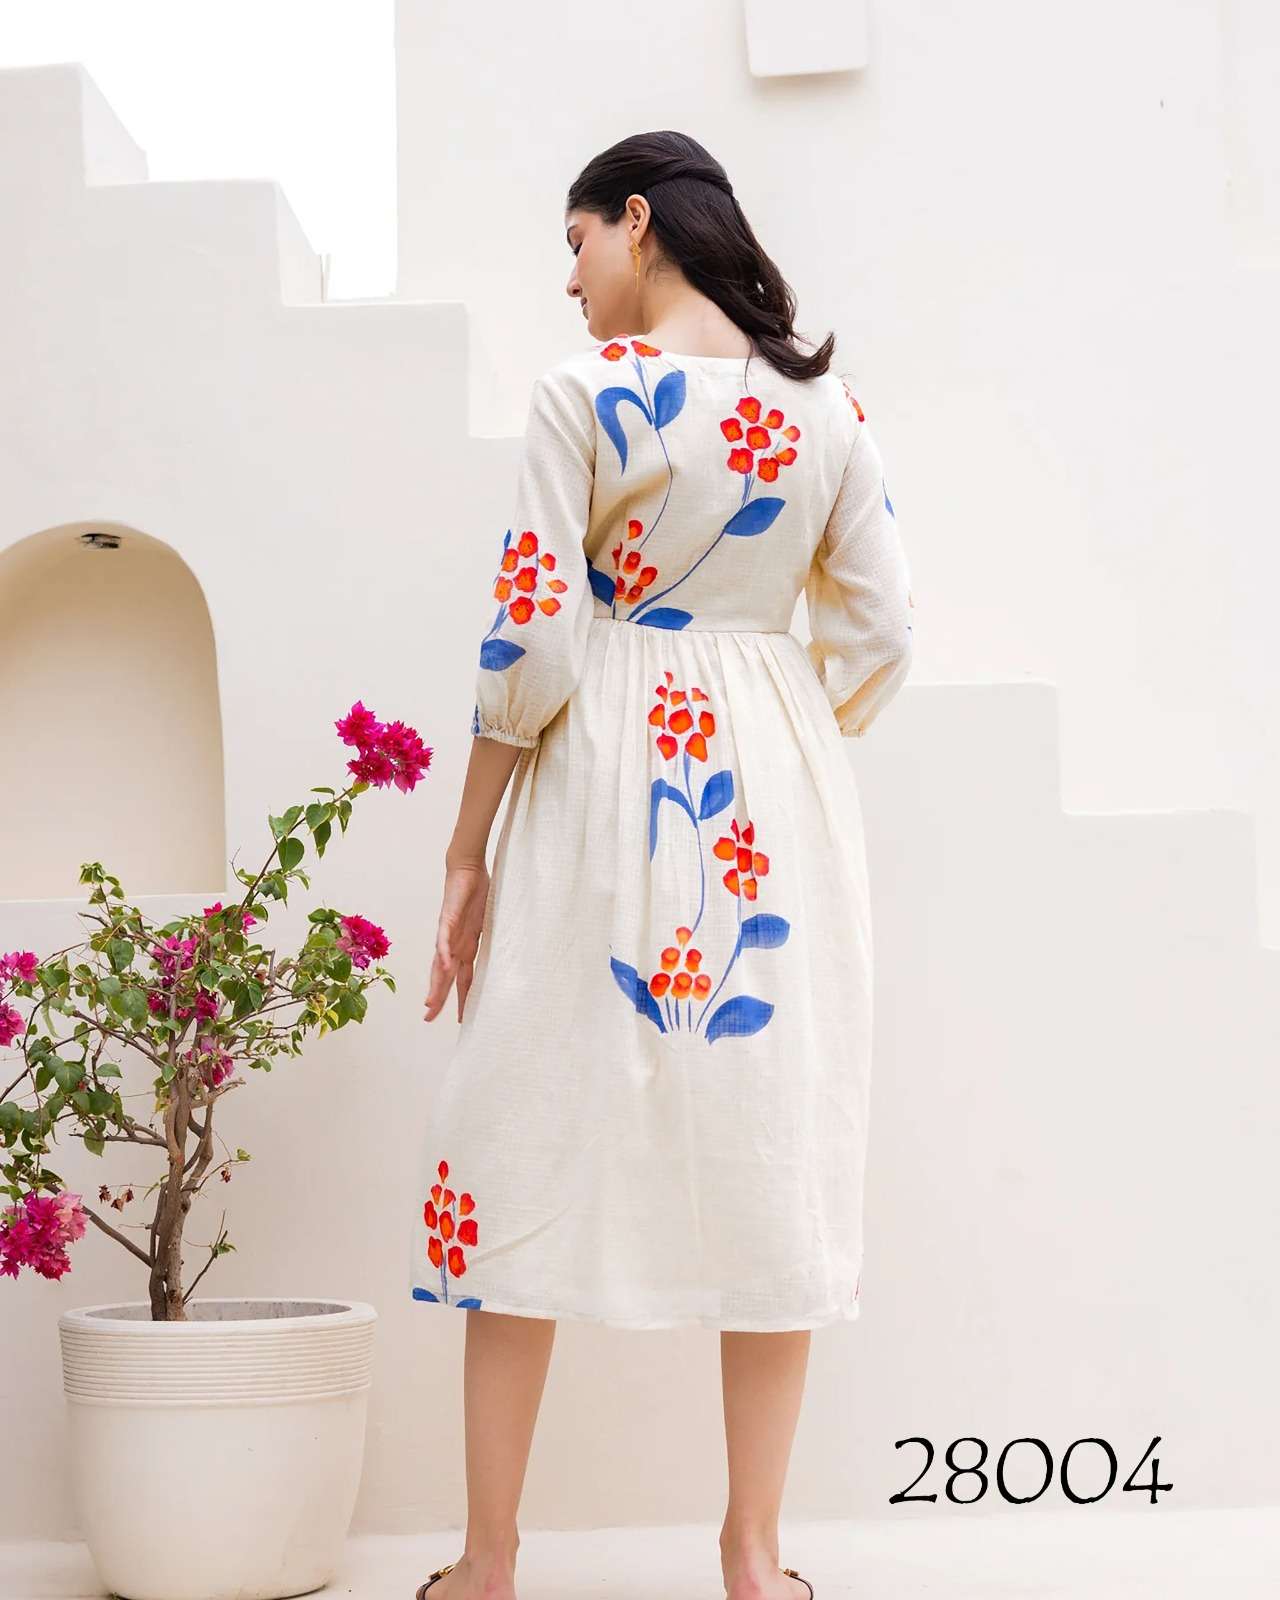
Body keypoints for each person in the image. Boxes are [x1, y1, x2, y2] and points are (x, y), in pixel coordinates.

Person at [410, 130, 914, 1600]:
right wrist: (782, 719)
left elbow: (531, 638)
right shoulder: (828, 410)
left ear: (638, 222)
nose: (569, 283)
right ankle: (755, 1558)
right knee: (772, 1150)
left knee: (521, 1133)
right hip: (774, 799)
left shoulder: (583, 395)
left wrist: (465, 848)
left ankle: (488, 1564)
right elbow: (883, 632)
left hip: (596, 785)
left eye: (576, 244)